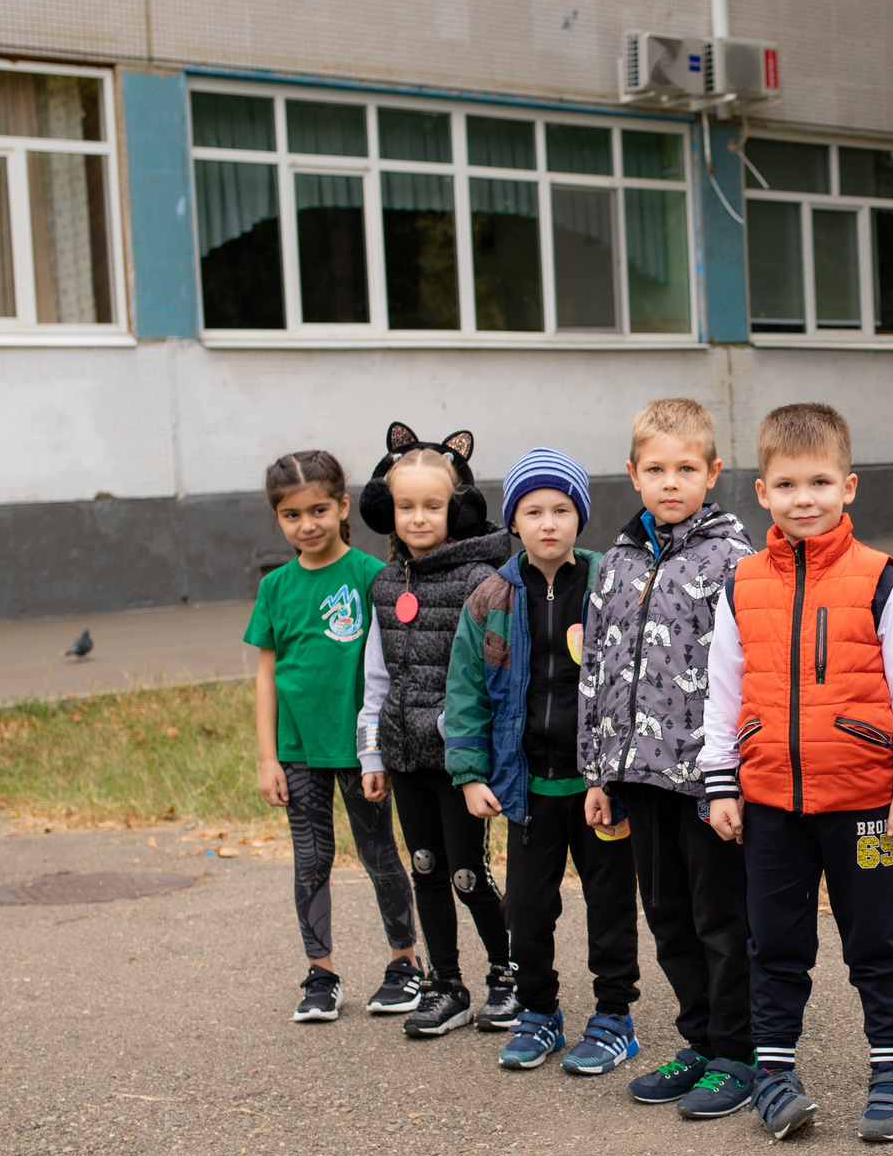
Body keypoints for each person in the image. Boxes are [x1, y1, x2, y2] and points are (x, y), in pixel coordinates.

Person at [700, 403, 893, 1142]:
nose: (804, 498)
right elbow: (722, 687)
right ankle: (773, 1071)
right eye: (786, 484)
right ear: (762, 493)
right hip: (771, 803)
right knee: (775, 941)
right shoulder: (742, 583)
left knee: (877, 938)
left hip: (867, 803)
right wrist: (720, 778)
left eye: (819, 482)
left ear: (850, 485)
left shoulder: (879, 580)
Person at [582, 398, 759, 1119]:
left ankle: (739, 1052)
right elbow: (596, 662)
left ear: (713, 472)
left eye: (687, 468)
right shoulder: (617, 561)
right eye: (656, 469)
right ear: (632, 474)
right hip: (637, 772)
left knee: (722, 916)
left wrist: (738, 776)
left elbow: (751, 673)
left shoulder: (734, 559)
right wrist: (598, 770)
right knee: (668, 914)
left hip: (707, 779)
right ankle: (699, 1036)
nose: (671, 481)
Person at [443, 449, 647, 1072]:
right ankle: (539, 1012)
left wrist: (618, 769)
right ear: (514, 521)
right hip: (527, 788)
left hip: (600, 787)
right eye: (533, 511)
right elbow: (466, 690)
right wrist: (470, 773)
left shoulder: (611, 582)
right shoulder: (490, 597)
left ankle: (614, 1016)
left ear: (580, 517)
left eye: (562, 509)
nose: (548, 523)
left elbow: (635, 675)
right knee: (527, 911)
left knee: (610, 905)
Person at [246, 450, 420, 1024]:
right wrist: (267, 756)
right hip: (298, 752)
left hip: (360, 750)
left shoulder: (371, 576)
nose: (307, 524)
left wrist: (386, 744)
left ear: (342, 506)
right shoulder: (274, 588)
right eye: (291, 515)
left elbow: (395, 664)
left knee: (378, 854)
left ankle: (404, 965)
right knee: (311, 860)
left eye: (318, 509)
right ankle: (320, 974)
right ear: (278, 519)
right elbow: (267, 675)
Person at [355, 425, 516, 1037]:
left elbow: (494, 678)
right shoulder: (384, 585)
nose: (418, 517)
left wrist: (484, 758)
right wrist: (372, 755)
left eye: (433, 505)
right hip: (404, 754)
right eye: (405, 506)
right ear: (386, 511)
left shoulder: (480, 579)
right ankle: (446, 983)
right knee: (424, 865)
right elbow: (377, 678)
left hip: (457, 758)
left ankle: (507, 973)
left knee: (466, 871)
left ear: (458, 508)